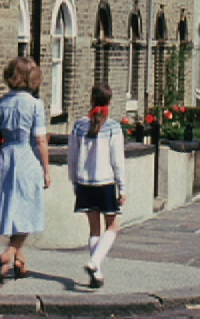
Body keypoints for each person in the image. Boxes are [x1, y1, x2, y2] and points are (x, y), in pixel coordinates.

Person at [0, 56, 50, 284]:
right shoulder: (35, 105)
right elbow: (40, 141)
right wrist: (46, 170)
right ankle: (8, 254)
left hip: (6, 160)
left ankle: (20, 262)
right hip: (26, 158)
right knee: (27, 211)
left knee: (14, 210)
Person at [68, 84, 126, 289]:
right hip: (105, 183)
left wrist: (74, 181)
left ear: (91, 100)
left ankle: (97, 274)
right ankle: (95, 262)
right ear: (109, 103)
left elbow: (72, 158)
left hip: (85, 183)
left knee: (94, 229)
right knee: (112, 227)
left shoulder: (78, 126)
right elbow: (118, 160)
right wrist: (123, 187)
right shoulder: (112, 127)